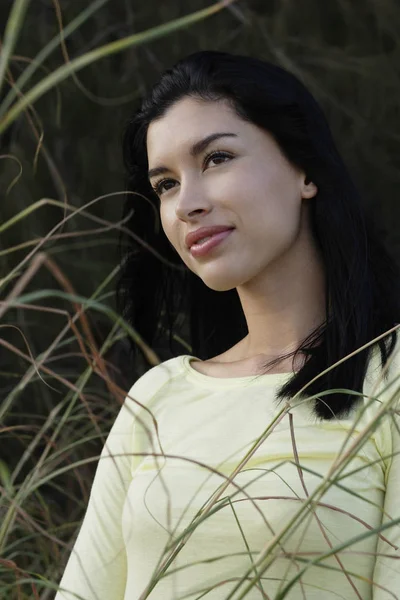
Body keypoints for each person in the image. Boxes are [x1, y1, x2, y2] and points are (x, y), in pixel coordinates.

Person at [55, 51, 400, 600]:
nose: (186, 204)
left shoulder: (388, 373)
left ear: (304, 168)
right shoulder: (157, 397)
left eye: (216, 158)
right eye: (165, 184)